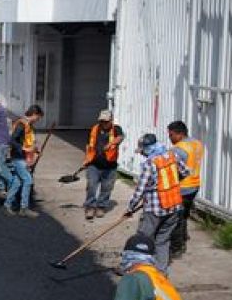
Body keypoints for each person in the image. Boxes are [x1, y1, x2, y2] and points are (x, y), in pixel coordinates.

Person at [124, 134, 190, 275]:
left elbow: (140, 189)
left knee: (142, 240)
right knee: (163, 240)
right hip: (174, 206)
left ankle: (136, 270)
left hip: (155, 209)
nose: (141, 154)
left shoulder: (150, 163)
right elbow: (185, 172)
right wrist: (171, 183)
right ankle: (161, 271)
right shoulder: (172, 156)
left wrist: (130, 208)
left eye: (142, 151)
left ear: (146, 149)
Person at [167, 121, 203, 259]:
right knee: (184, 214)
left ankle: (177, 247)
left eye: (171, 135)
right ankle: (184, 235)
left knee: (176, 218)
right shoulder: (197, 143)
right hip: (195, 184)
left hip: (182, 187)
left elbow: (173, 169)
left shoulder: (178, 149)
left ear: (180, 134)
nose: (170, 138)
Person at [84, 110, 125, 220]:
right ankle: (90, 207)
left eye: (106, 121)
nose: (104, 124)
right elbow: (88, 145)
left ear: (111, 121)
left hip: (110, 166)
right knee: (91, 186)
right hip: (94, 164)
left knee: (106, 188)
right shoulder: (94, 129)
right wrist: (86, 160)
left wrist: (110, 144)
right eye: (102, 121)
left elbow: (120, 138)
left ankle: (101, 206)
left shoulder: (116, 129)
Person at [5, 105, 44, 218]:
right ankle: (24, 208)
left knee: (17, 182)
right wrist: (24, 149)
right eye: (38, 117)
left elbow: (28, 142)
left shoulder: (28, 126)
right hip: (18, 157)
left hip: (22, 157)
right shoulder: (22, 124)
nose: (38, 120)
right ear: (34, 114)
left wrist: (35, 150)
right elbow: (12, 141)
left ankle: (7, 205)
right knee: (28, 180)